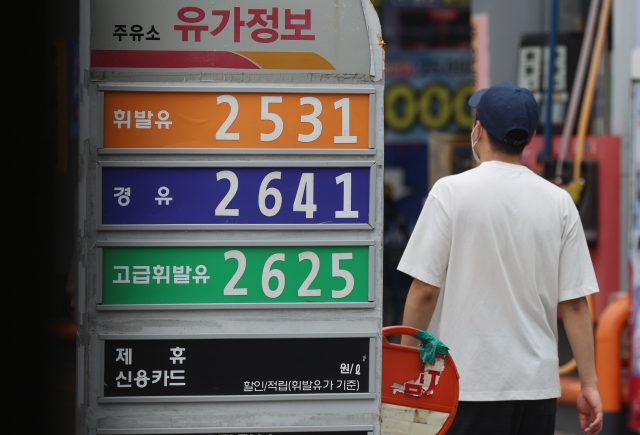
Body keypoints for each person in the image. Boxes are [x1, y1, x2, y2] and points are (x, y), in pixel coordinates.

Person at [397, 82, 603, 435]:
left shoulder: (450, 193)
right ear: (531, 136)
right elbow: (574, 305)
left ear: (479, 130)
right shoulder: (558, 203)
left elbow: (424, 291)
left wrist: (403, 371)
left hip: (464, 383)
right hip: (536, 389)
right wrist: (589, 385)